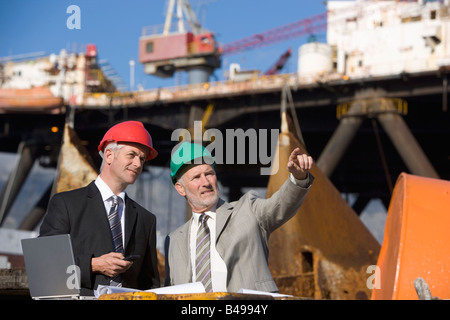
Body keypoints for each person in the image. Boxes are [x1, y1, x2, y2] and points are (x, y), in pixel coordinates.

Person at [164, 141, 314, 293]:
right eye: (196, 177)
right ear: (181, 189)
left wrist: (298, 178)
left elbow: (280, 205)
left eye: (209, 173)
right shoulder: (173, 241)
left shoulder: (248, 209)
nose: (206, 182)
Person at [39, 121, 160, 296]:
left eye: (141, 158)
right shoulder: (66, 204)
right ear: (109, 155)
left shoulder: (146, 219)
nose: (138, 164)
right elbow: (44, 263)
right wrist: (92, 265)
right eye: (132, 155)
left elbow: (150, 284)